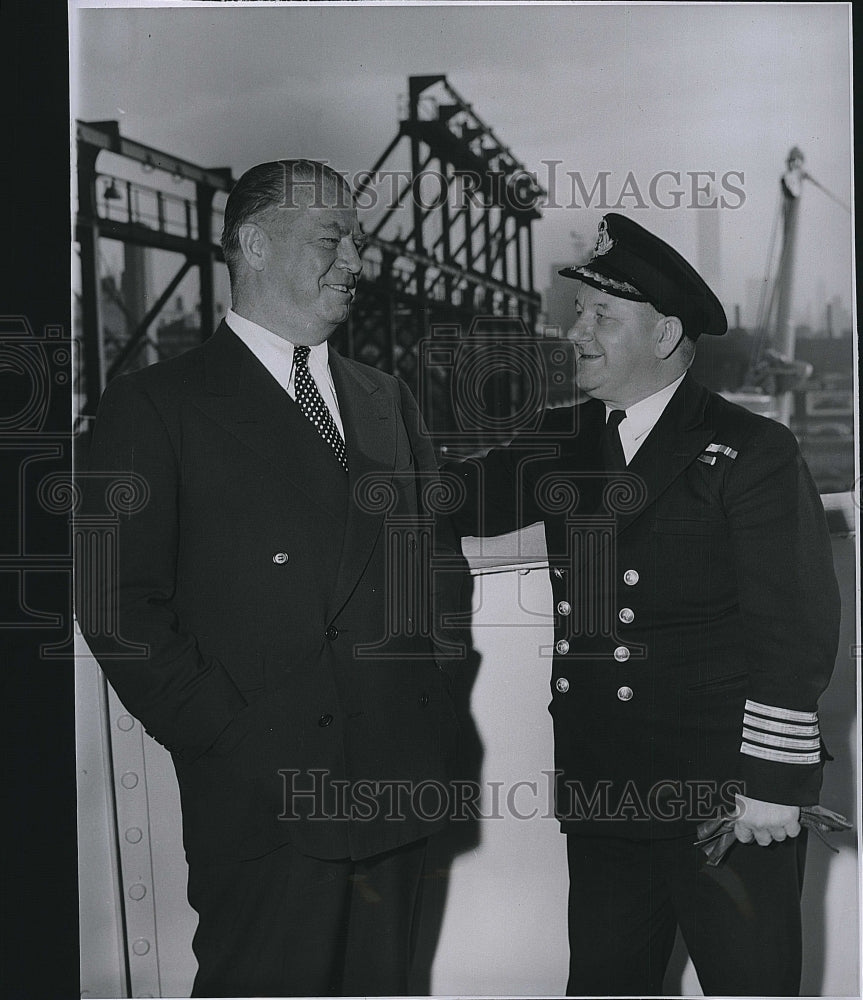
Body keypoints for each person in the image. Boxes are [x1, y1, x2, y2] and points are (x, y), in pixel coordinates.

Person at [78, 160, 461, 998]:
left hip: (396, 786)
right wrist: (228, 738)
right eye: (333, 238)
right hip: (264, 799)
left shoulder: (385, 396)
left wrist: (432, 683)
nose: (356, 260)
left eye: (357, 240)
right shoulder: (153, 403)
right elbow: (115, 602)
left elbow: (433, 562)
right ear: (252, 244)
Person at [443, 213, 840, 996]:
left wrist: (771, 785)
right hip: (604, 794)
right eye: (577, 314)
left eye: (600, 317)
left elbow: (791, 629)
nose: (575, 334)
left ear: (663, 336)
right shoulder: (562, 442)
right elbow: (445, 500)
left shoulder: (749, 452)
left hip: (722, 803)